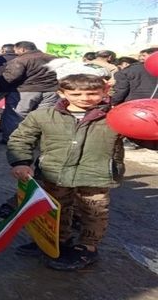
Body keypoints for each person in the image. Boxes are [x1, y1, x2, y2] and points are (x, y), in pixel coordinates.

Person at [7, 74, 124, 271]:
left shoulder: (116, 117)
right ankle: (56, 240)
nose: (84, 98)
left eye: (92, 93)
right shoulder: (43, 116)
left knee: (94, 212)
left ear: (104, 92)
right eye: (76, 93)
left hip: (97, 175)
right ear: (61, 93)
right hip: (55, 173)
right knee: (55, 208)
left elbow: (141, 134)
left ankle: (88, 247)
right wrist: (21, 162)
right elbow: (21, 139)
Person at [0, 41, 58, 144]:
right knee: (44, 116)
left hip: (26, 91)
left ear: (22, 49)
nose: (15, 53)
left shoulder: (21, 60)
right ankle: (39, 140)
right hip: (52, 91)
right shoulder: (54, 58)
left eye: (16, 50)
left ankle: (11, 139)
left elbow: (11, 76)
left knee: (16, 115)